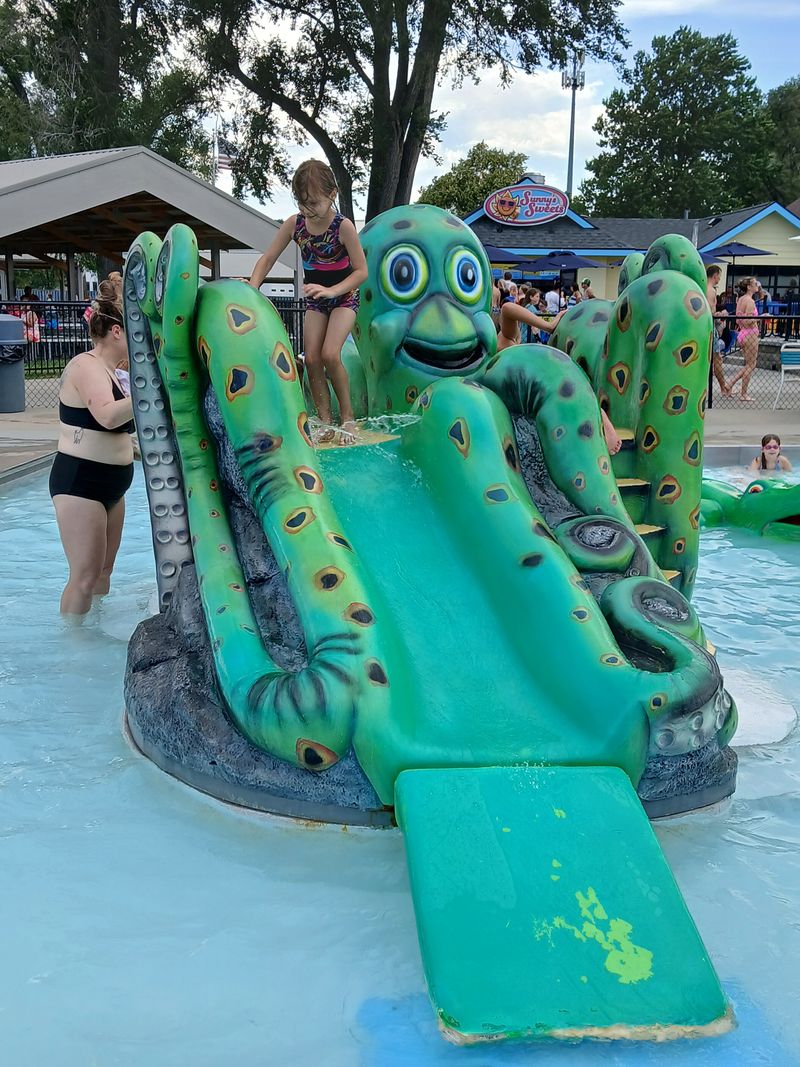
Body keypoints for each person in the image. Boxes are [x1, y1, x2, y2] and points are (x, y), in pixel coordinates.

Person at [248, 159, 368, 444]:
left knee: (330, 354)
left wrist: (333, 290)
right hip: (317, 301)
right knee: (311, 358)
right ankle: (325, 421)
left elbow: (362, 271)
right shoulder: (296, 225)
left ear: (332, 194)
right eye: (301, 202)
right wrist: (253, 287)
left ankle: (347, 418)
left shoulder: (343, 227)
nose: (306, 209)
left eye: (313, 202)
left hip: (344, 298)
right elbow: (268, 258)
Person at [49, 274, 135, 616]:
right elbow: (108, 417)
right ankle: (72, 639)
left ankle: (93, 633)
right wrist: (150, 392)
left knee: (103, 572)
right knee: (84, 577)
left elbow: (118, 431)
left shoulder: (115, 372)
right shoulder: (87, 366)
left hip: (113, 486)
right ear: (116, 331)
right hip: (81, 483)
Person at [727, 277, 760, 402]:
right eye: (755, 283)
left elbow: (738, 320)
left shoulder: (740, 300)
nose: (757, 285)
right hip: (750, 334)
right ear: (749, 287)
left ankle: (730, 384)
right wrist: (761, 317)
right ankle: (743, 394)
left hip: (742, 334)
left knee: (749, 365)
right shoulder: (750, 301)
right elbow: (747, 321)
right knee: (751, 365)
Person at [706, 266, 730, 396]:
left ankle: (723, 387)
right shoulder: (711, 291)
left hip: (707, 328)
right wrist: (719, 314)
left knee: (715, 359)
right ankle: (723, 388)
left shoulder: (703, 288)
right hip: (710, 328)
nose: (719, 279)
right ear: (715, 275)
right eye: (719, 276)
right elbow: (709, 312)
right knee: (717, 359)